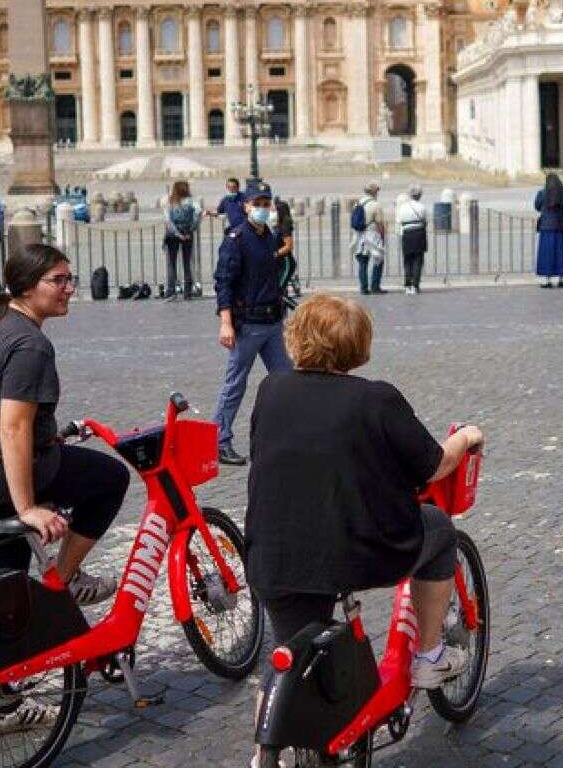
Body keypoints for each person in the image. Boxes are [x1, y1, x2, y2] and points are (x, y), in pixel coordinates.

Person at [244, 293, 485, 710]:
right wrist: (465, 437)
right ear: (359, 345)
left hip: (274, 553)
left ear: (295, 338)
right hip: (359, 550)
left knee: (293, 658)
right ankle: (430, 655)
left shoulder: (271, 390)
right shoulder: (377, 399)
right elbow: (434, 465)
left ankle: (272, 734)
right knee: (440, 529)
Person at [0, 241, 125, 589]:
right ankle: (63, 581)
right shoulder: (30, 346)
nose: (69, 289)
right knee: (111, 478)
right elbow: (13, 427)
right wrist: (26, 508)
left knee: (7, 589)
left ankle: (36, 604)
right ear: (26, 286)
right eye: (58, 280)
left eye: (70, 279)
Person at [212, 187, 290, 466]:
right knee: (235, 384)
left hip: (272, 321)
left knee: (287, 380)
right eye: (258, 203)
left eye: (267, 203)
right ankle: (219, 441)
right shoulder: (236, 239)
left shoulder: (269, 236)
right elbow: (223, 282)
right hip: (248, 324)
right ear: (246, 206)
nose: (263, 208)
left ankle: (290, 435)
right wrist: (226, 323)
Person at [163, 179, 202, 299]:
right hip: (187, 233)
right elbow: (197, 216)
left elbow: (168, 220)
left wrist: (176, 233)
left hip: (172, 235)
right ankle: (188, 292)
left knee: (171, 263)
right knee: (187, 263)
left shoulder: (169, 201)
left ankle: (171, 290)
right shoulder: (192, 201)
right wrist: (191, 230)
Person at [534, 172, 563, 288]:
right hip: (560, 226)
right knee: (560, 253)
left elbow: (537, 206)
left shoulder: (542, 193)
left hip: (546, 227)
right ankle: (561, 279)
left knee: (547, 254)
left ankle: (547, 280)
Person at [352, 183, 387, 295]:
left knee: (362, 262)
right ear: (374, 192)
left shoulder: (358, 203)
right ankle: (375, 286)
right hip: (372, 234)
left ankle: (364, 288)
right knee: (378, 259)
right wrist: (382, 237)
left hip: (359, 235)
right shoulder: (376, 205)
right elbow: (380, 223)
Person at [397, 186, 429, 294]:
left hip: (407, 234)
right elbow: (425, 221)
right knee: (418, 261)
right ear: (419, 195)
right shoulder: (422, 207)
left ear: (410, 195)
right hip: (419, 234)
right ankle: (415, 285)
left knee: (407, 261)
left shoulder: (403, 207)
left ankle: (407, 285)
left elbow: (399, 220)